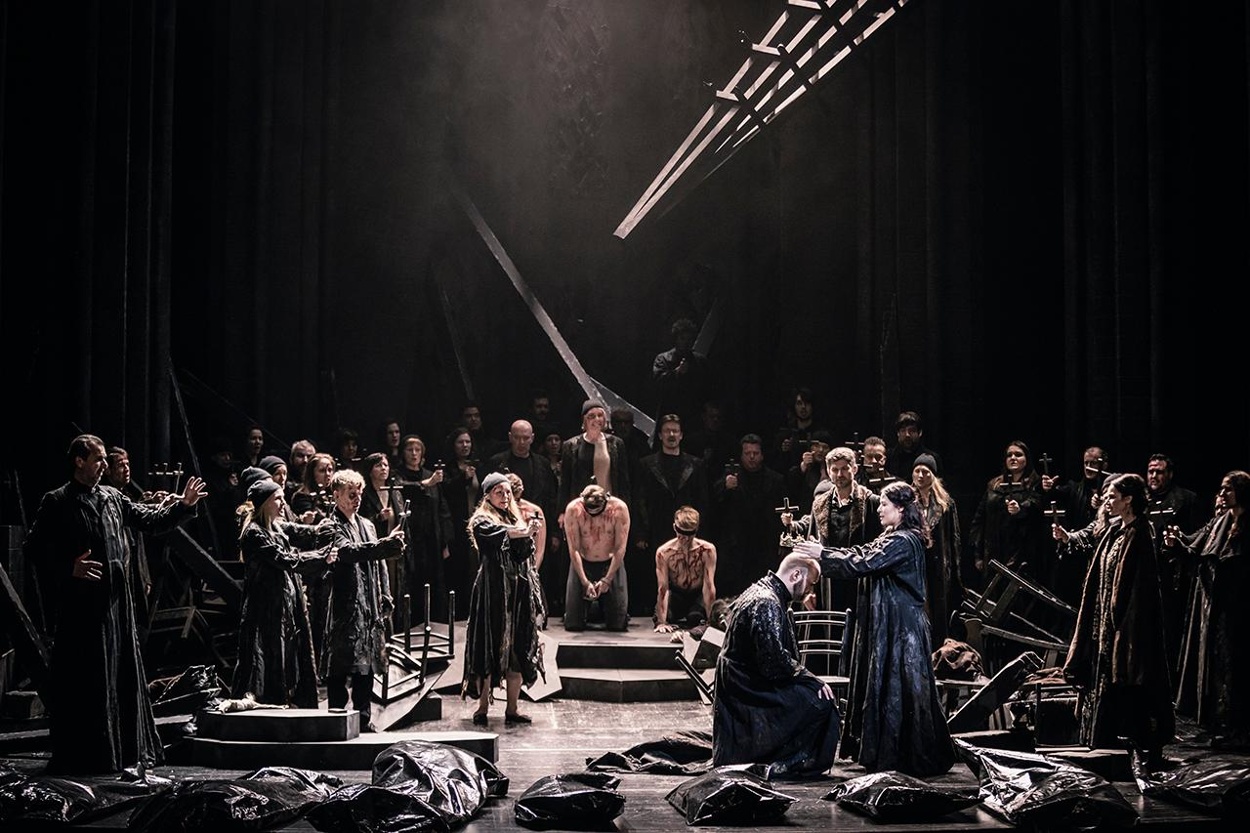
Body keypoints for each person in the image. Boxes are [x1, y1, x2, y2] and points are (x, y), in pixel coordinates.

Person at [22, 434, 207, 774]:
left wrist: (184, 505)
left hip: (116, 607)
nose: (104, 465)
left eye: (106, 459)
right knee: (87, 679)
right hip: (82, 608)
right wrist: (68, 567)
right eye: (98, 459)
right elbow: (33, 549)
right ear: (79, 461)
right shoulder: (57, 501)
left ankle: (123, 752)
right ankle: (87, 755)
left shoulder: (112, 498)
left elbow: (149, 520)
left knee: (119, 676)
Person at [794, 480, 955, 777]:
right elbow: (860, 552)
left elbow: (863, 562)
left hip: (902, 626)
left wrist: (822, 554)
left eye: (884, 504)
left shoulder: (905, 540)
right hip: (890, 623)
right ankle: (883, 751)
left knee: (899, 687)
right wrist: (823, 551)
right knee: (887, 684)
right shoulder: (890, 536)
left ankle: (904, 754)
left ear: (901, 508)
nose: (879, 509)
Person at [1059, 473, 1175, 775]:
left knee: (1128, 682)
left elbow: (1141, 590)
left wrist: (1124, 628)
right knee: (1104, 679)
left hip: (1127, 626)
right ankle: (1104, 743)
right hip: (1103, 624)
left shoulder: (1140, 534)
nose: (1107, 501)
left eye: (1113, 496)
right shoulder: (1114, 531)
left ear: (1129, 499)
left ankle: (1136, 748)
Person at [711, 552, 839, 778]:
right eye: (810, 584)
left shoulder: (764, 591)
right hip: (746, 687)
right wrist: (810, 680)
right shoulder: (766, 601)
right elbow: (773, 661)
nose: (811, 591)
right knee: (821, 702)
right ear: (796, 575)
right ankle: (787, 763)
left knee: (813, 694)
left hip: (744, 679)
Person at [232, 477, 334, 708]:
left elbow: (300, 531)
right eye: (277, 499)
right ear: (264, 502)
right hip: (265, 608)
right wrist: (321, 557)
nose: (283, 503)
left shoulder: (276, 526)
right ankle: (269, 704)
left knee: (289, 656)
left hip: (285, 605)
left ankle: (289, 702)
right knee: (266, 658)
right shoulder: (255, 533)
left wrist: (321, 528)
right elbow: (285, 559)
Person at [1165, 470, 1249, 747]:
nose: (1222, 494)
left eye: (1228, 489)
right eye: (1222, 489)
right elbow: (1196, 547)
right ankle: (1222, 724)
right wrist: (1177, 543)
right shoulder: (1220, 522)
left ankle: (1238, 728)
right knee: (1218, 666)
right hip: (1216, 607)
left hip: (1238, 608)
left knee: (1236, 666)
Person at [319, 468, 406, 732]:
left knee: (366, 665)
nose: (357, 499)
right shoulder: (330, 526)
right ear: (336, 495)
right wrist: (385, 545)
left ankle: (364, 718)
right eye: (351, 495)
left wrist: (385, 595)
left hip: (369, 604)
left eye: (359, 494)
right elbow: (348, 552)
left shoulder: (366, 525)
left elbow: (379, 564)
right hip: (344, 604)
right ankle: (336, 718)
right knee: (340, 664)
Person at [462, 472, 546, 726]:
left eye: (508, 492)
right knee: (489, 644)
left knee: (518, 647)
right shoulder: (482, 520)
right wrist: (522, 531)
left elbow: (522, 554)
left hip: (517, 592)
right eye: (499, 492)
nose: (505, 496)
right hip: (493, 591)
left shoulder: (515, 518)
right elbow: (496, 534)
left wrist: (528, 534)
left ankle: (512, 708)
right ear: (488, 495)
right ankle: (482, 707)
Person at [780, 446, 880, 613]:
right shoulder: (820, 505)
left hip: (860, 584)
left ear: (854, 469)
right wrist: (809, 590)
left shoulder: (870, 503)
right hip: (828, 586)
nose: (840, 474)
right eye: (835, 470)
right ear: (828, 471)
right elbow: (810, 551)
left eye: (845, 469)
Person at [633, 414, 710, 619]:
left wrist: (699, 529)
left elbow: (702, 499)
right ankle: (660, 609)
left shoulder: (695, 465)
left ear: (682, 435)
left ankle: (691, 608)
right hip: (657, 525)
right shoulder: (647, 464)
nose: (671, 434)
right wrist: (641, 533)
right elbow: (640, 499)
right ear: (660, 435)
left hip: (687, 527)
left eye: (675, 430)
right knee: (659, 569)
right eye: (667, 431)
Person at [711, 434, 786, 598]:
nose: (752, 457)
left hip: (765, 544)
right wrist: (725, 487)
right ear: (741, 455)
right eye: (747, 453)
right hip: (737, 546)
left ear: (762, 455)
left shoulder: (775, 480)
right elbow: (714, 506)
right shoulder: (731, 477)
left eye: (755, 453)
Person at [966, 440, 1047, 589]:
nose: (1013, 458)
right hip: (994, 551)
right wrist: (978, 554)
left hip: (1021, 552)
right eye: (1009, 455)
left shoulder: (1035, 483)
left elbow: (1036, 504)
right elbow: (980, 518)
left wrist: (1020, 509)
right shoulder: (994, 484)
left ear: (1027, 459)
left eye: (1018, 454)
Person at [394, 434, 454, 623]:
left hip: (432, 538)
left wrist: (445, 541)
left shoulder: (430, 475)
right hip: (411, 537)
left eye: (417, 450)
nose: (414, 453)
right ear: (403, 453)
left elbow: (442, 509)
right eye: (409, 450)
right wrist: (424, 485)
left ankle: (436, 620)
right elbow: (401, 488)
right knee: (413, 580)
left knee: (434, 579)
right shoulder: (398, 475)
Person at [1041, 446, 1111, 604]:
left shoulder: (1111, 491)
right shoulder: (1075, 488)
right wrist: (1049, 488)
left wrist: (1102, 505)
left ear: (1104, 465)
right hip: (1076, 551)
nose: (1089, 467)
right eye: (1086, 463)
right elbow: (1056, 495)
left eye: (1094, 463)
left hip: (1100, 549)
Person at [911, 453, 965, 646]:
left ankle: (937, 651)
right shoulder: (907, 502)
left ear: (933, 475)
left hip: (939, 565)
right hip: (915, 565)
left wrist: (953, 568)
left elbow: (954, 538)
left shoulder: (945, 503)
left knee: (938, 612)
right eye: (917, 471)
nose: (920, 475)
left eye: (925, 471)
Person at [562, 484, 630, 631]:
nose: (594, 514)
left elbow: (620, 548)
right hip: (583, 561)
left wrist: (607, 579)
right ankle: (581, 610)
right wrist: (584, 581)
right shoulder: (573, 509)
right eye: (590, 510)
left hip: (610, 562)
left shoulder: (619, 509)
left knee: (618, 625)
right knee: (573, 624)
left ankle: (612, 610)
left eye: (597, 510)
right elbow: (574, 549)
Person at [557, 399, 634, 521]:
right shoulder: (571, 445)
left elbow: (623, 481)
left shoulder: (616, 443)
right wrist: (562, 511)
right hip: (581, 507)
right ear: (584, 420)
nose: (596, 419)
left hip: (610, 506)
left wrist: (625, 509)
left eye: (600, 415)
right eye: (591, 416)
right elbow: (565, 481)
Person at [653, 506, 716, 636]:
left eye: (690, 534)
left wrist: (711, 621)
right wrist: (661, 622)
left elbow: (709, 586)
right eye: (682, 533)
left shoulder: (707, 550)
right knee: (667, 616)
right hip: (677, 594)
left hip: (697, 594)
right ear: (674, 527)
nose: (686, 539)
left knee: (695, 618)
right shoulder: (664, 552)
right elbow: (663, 587)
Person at [651, 317, 715, 431]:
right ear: (676, 339)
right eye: (682, 338)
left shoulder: (700, 362)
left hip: (693, 417)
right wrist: (677, 373)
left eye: (689, 339)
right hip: (669, 414)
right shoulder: (663, 359)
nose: (686, 343)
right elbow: (658, 384)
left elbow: (708, 388)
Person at [884, 411, 941, 484]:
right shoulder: (888, 457)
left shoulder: (932, 458)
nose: (907, 435)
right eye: (903, 430)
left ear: (920, 433)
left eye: (912, 431)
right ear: (898, 433)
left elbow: (939, 486)